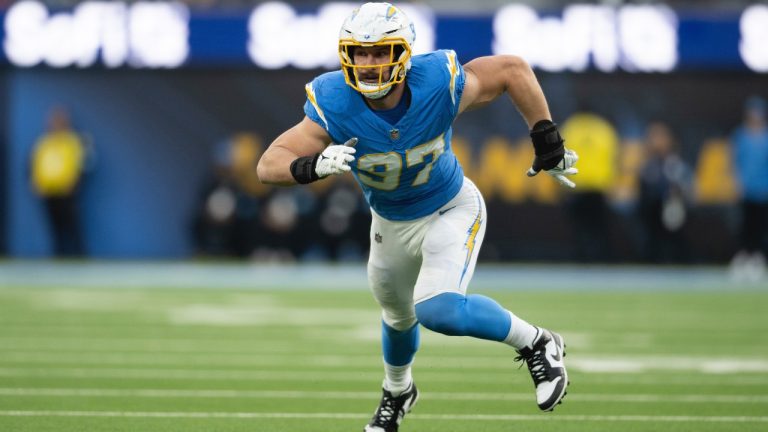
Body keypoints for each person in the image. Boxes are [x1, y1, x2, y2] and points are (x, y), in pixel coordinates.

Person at [256, 3, 577, 431]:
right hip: (389, 222)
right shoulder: (334, 101)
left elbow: (513, 70)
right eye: (360, 53)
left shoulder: (437, 83)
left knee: (438, 310)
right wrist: (311, 166)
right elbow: (268, 164)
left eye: (380, 52)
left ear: (404, 53)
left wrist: (546, 137)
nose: (369, 65)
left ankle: (537, 341)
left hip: (450, 206)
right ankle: (398, 391)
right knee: (396, 317)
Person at [30, 106, 89, 257]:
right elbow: (35, 164)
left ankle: (78, 257)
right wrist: (36, 183)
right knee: (54, 227)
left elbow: (80, 163)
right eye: (52, 121)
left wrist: (75, 182)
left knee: (71, 226)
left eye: (58, 121)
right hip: (48, 190)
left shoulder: (73, 141)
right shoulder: (44, 142)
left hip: (66, 190)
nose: (54, 124)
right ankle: (58, 258)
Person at [637, 121, 692, 264]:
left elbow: (686, 187)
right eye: (653, 137)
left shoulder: (675, 164)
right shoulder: (648, 166)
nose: (656, 142)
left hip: (672, 211)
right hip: (652, 215)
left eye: (660, 137)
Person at [729, 96, 768, 282]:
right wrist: (737, 183)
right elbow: (735, 162)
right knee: (745, 226)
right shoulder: (741, 136)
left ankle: (758, 259)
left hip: (763, 191)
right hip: (747, 191)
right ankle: (743, 258)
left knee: (761, 227)